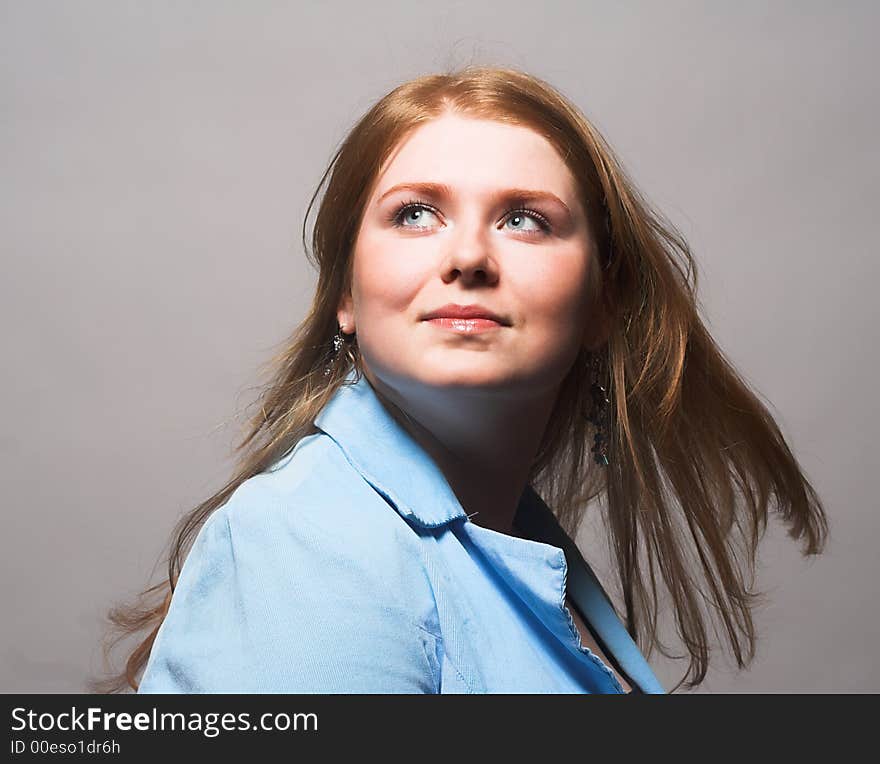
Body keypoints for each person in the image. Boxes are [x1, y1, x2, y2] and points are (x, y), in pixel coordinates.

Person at [92, 65, 828, 694]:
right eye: (415, 214)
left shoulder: (511, 532)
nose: (469, 256)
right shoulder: (309, 546)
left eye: (525, 221)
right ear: (344, 294)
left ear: (602, 299)